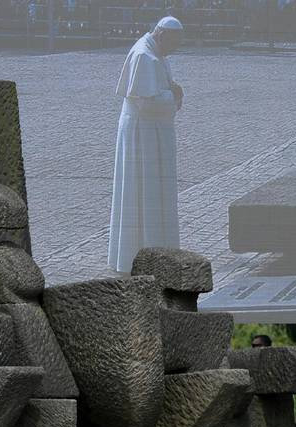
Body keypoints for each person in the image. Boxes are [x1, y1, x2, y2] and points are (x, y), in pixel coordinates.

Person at [108, 16, 184, 273]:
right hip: (143, 134)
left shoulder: (157, 53)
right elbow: (147, 102)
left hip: (153, 133)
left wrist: (171, 90)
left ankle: (158, 250)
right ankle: (140, 254)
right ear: (162, 35)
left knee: (152, 191)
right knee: (142, 190)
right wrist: (174, 95)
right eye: (173, 44)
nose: (173, 51)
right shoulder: (144, 56)